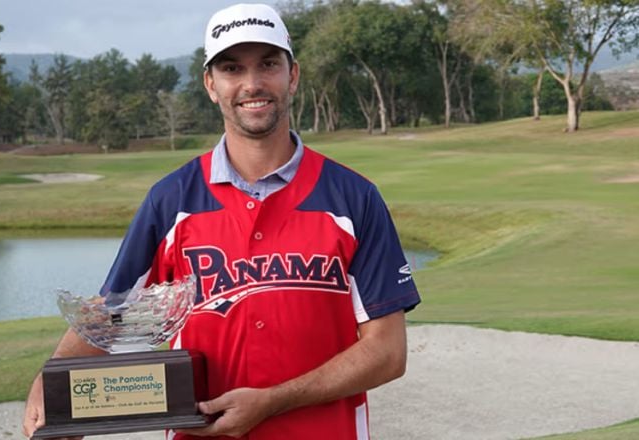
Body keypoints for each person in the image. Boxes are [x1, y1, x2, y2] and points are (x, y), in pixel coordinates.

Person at [22, 3, 420, 440]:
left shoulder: (354, 199)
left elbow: (387, 352)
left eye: (268, 64)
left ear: (293, 75)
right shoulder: (171, 202)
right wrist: (53, 383)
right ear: (211, 84)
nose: (252, 84)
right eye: (232, 68)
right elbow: (111, 314)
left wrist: (274, 399)